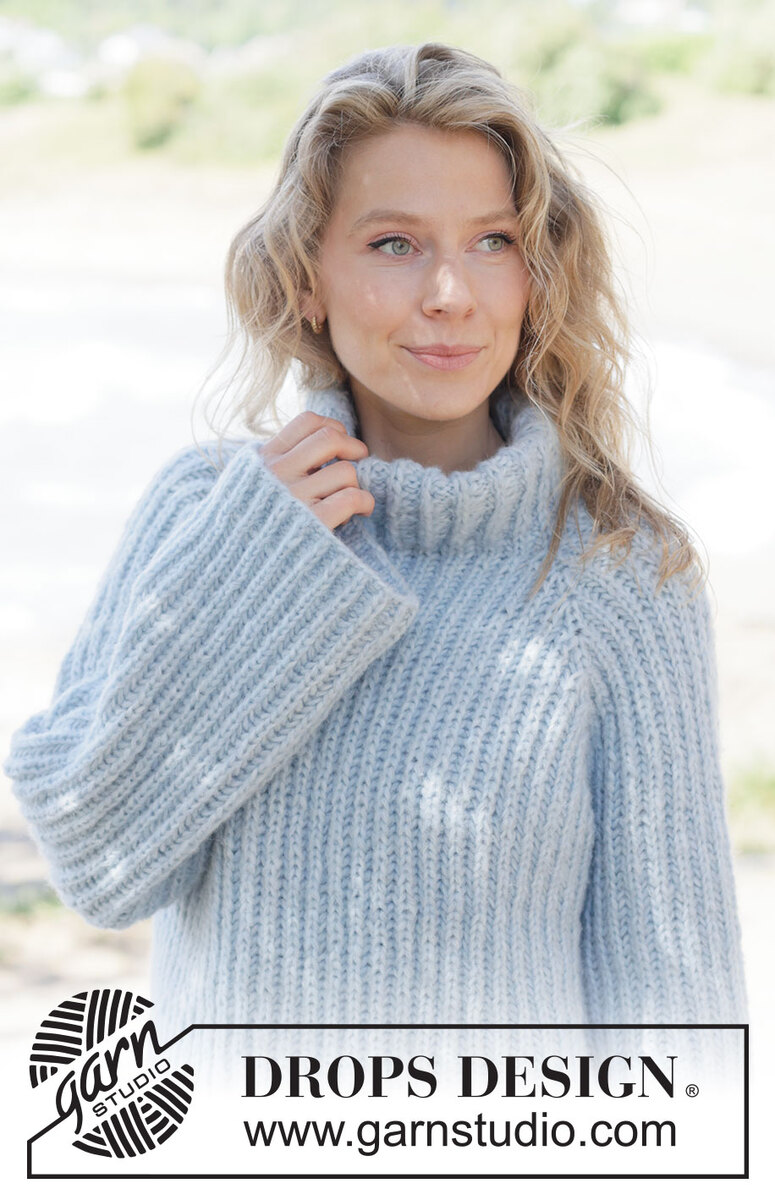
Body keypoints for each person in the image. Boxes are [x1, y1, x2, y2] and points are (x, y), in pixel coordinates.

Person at [4, 44, 747, 1044]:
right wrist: (254, 566)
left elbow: (678, 1007)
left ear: (537, 275)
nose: (449, 293)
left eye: (492, 241)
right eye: (394, 243)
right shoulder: (208, 512)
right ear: (306, 277)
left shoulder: (621, 570)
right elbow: (96, 863)